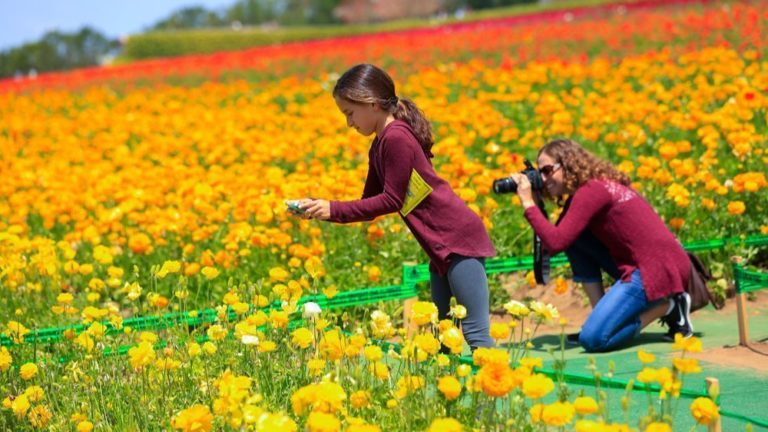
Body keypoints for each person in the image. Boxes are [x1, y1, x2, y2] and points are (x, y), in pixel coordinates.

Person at [293, 64, 496, 350]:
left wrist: (333, 209)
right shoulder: (379, 144)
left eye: (349, 113)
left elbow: (392, 200)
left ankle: (502, 391)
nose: (348, 123)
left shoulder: (396, 137)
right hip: (439, 245)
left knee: (475, 333)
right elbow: (370, 205)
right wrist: (318, 207)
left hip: (458, 240)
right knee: (443, 334)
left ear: (372, 103)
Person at [510, 138, 693, 352]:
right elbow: (559, 238)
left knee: (594, 340)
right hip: (647, 263)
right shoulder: (591, 187)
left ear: (568, 165)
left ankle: (666, 306)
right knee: (576, 239)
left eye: (547, 170)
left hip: (654, 269)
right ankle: (601, 315)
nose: (542, 178)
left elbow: (555, 242)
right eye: (539, 173)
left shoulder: (592, 190)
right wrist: (536, 199)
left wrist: (527, 202)